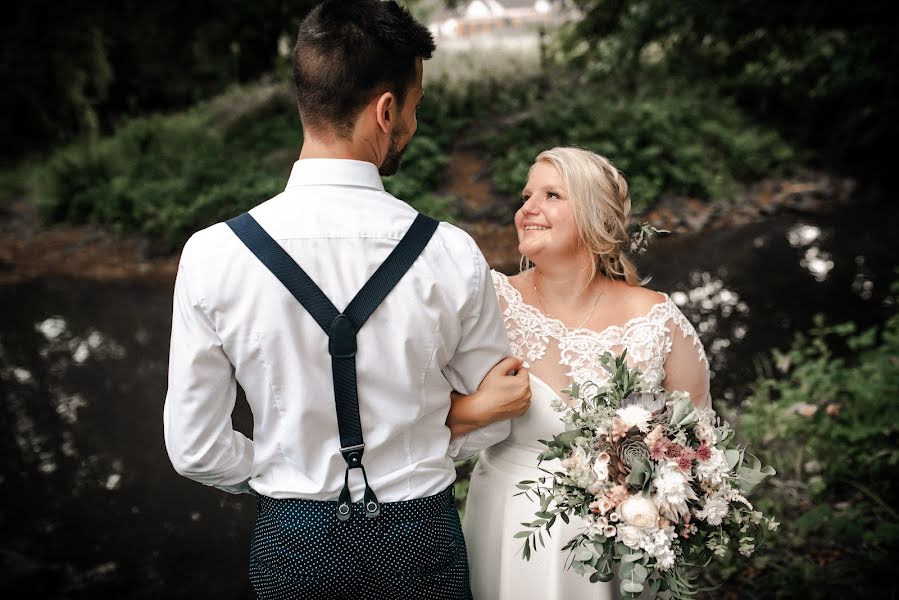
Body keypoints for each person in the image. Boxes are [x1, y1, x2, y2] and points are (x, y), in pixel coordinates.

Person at [162, 2, 529, 598]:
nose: (413, 122)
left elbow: (195, 448)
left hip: (292, 541)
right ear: (386, 110)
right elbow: (495, 409)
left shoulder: (212, 254)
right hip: (421, 538)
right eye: (415, 105)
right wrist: (428, 435)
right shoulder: (449, 252)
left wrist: (287, 472)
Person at [456, 147, 711, 599]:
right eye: (526, 195)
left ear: (595, 216)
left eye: (551, 194)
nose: (527, 209)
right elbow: (431, 418)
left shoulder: (656, 320)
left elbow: (700, 449)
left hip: (622, 545)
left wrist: (660, 498)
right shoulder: (488, 303)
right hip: (511, 526)